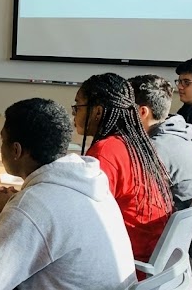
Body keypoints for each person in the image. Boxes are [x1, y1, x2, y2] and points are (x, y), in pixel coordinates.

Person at [0, 98, 136, 289]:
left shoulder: (34, 204)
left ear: (16, 150)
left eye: (2, 140)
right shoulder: (86, 179)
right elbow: (23, 240)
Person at [71, 73, 173, 262]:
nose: (74, 112)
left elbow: (82, 220)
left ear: (98, 112)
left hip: (125, 263)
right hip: (149, 259)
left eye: (78, 106)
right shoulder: (136, 144)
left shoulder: (106, 151)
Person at [128, 74, 192, 210]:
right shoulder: (176, 132)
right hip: (190, 221)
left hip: (174, 223)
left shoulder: (155, 148)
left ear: (142, 112)